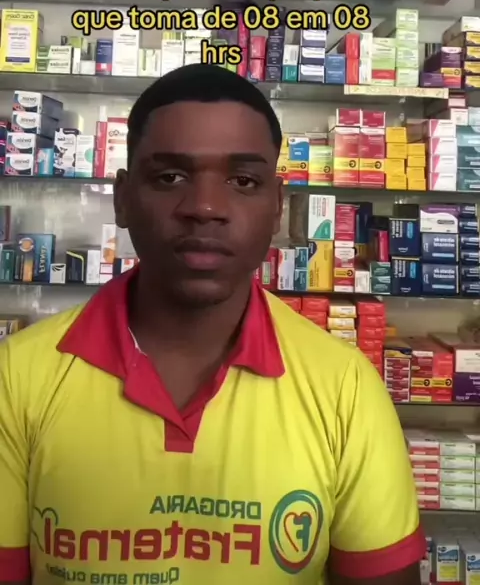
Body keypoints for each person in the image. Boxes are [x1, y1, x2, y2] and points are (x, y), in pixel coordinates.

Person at [0, 64, 425, 585]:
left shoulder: (345, 386)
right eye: (170, 177)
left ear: (277, 205)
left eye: (243, 181)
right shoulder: (15, 377)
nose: (204, 208)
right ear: (123, 199)